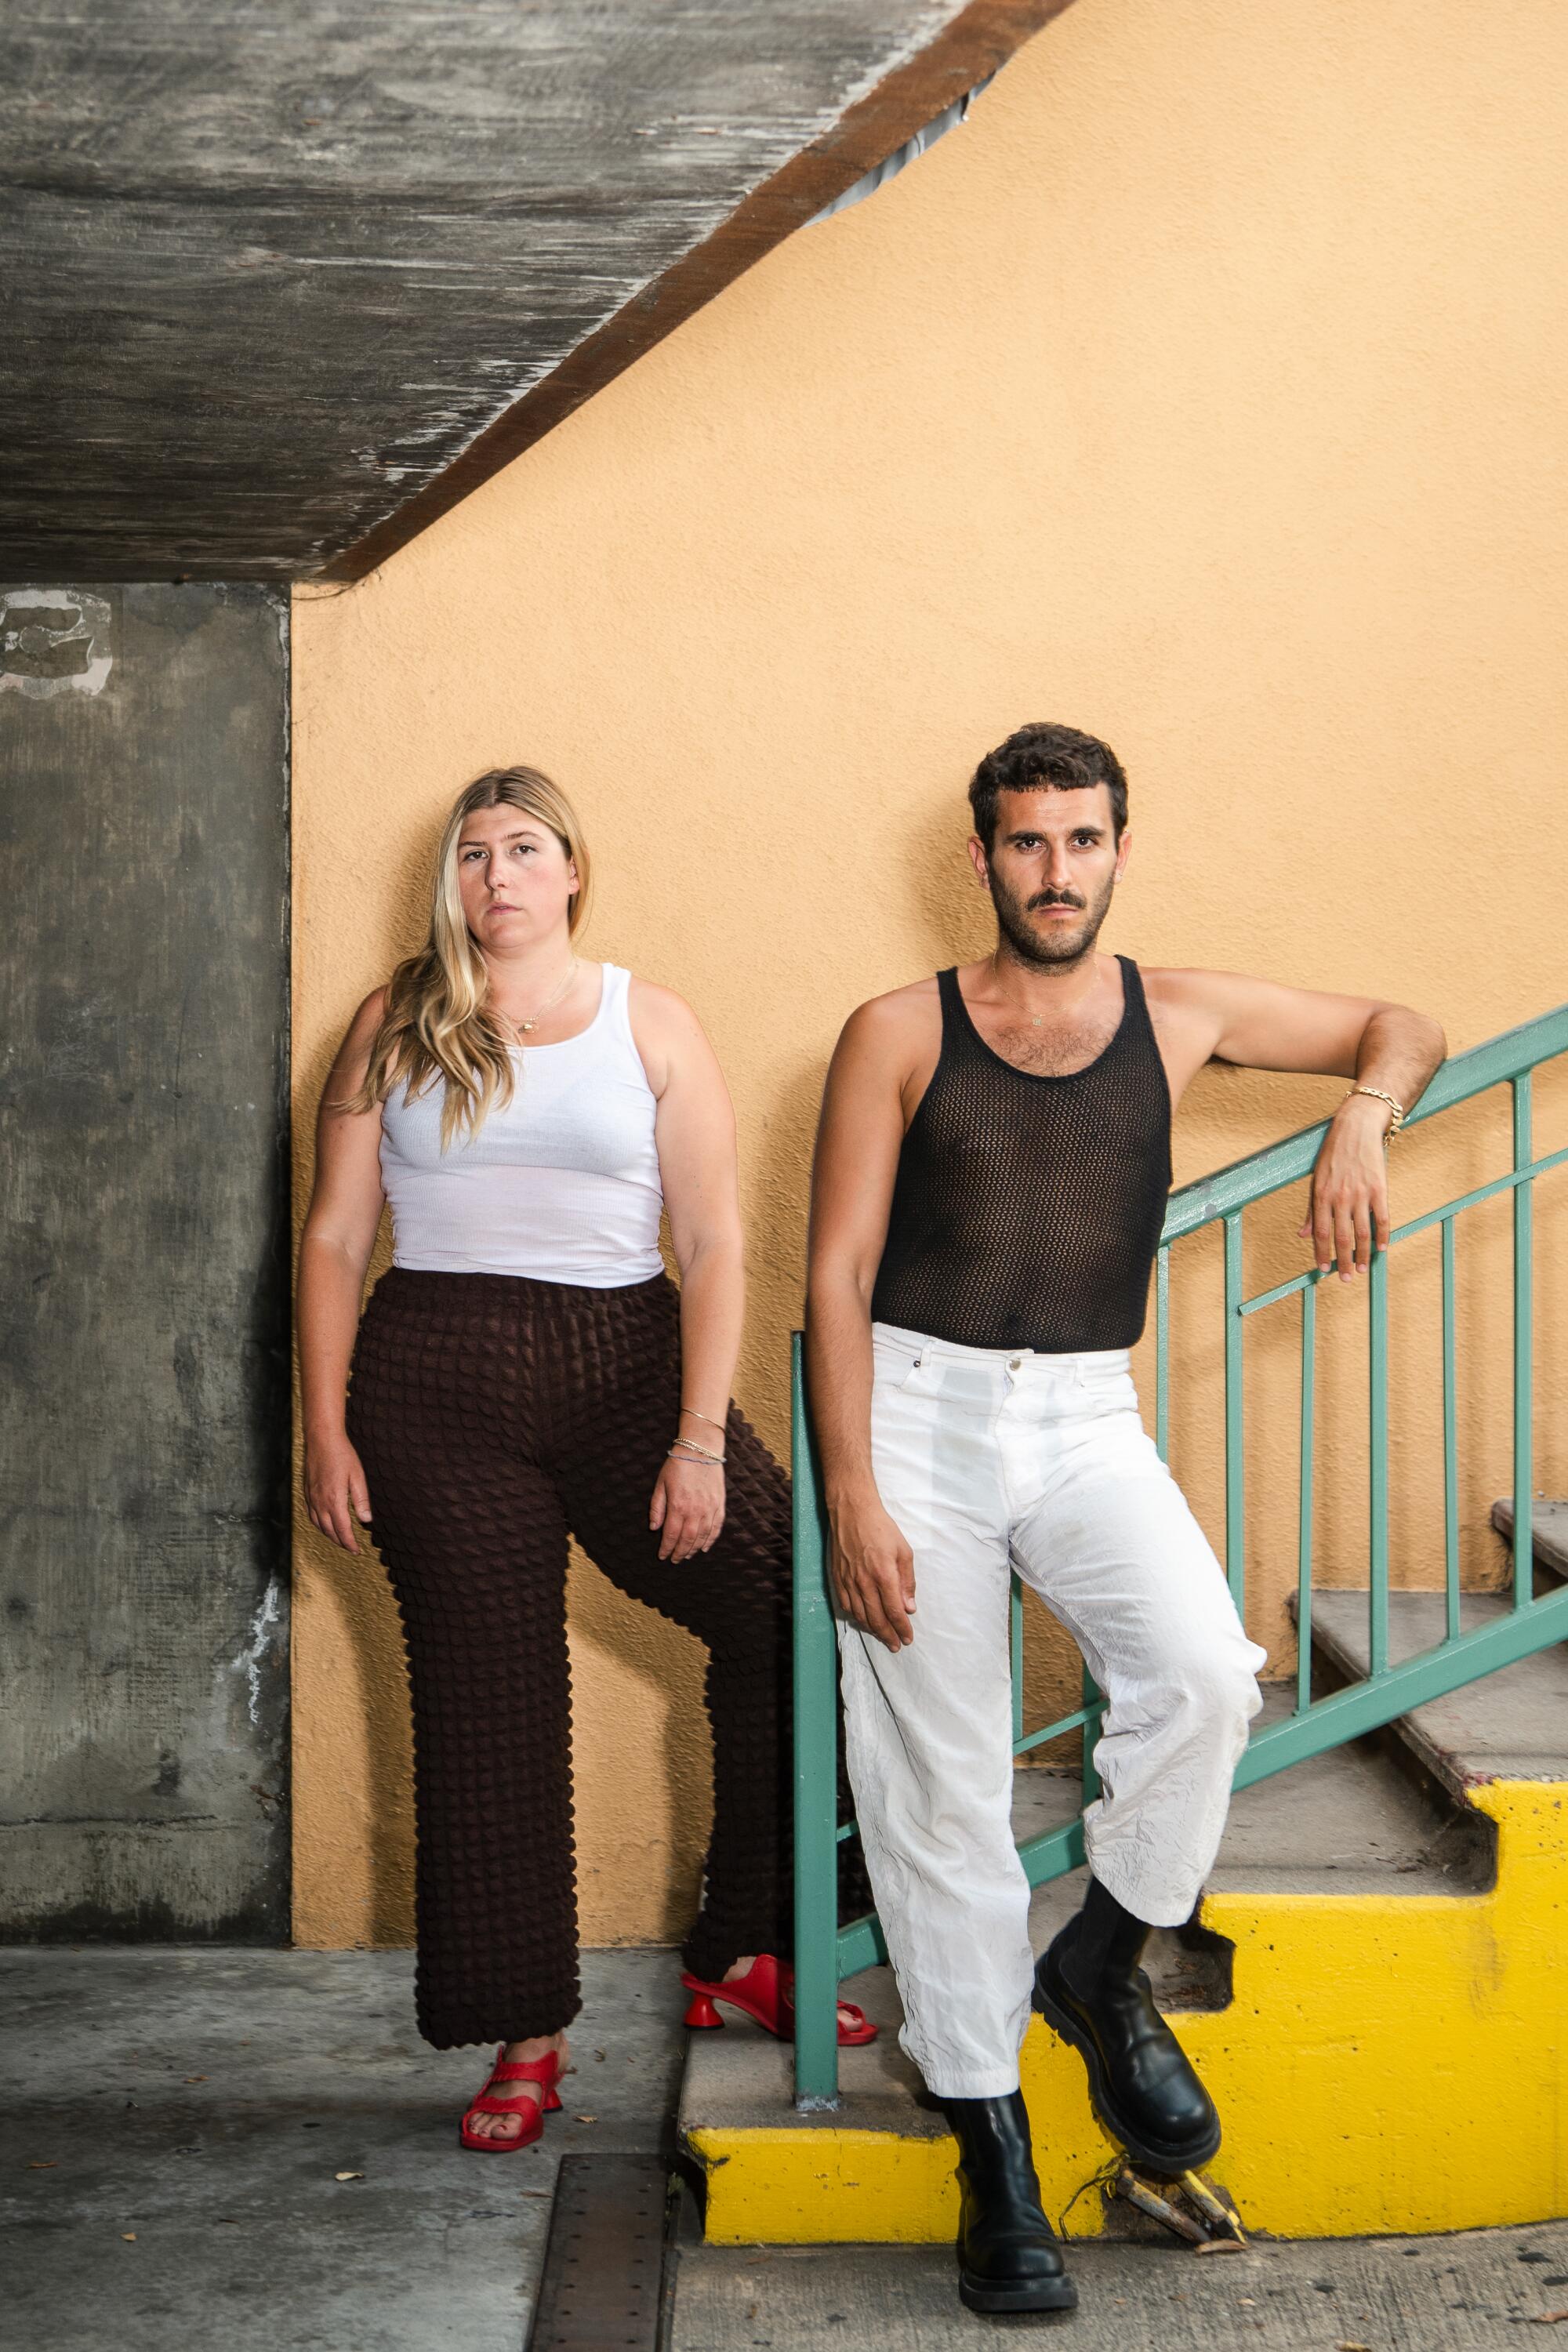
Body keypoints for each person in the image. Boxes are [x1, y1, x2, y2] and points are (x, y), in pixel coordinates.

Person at [805, 721, 1445, 2313]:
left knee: (1207, 1674)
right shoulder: (895, 1029)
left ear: (1118, 849)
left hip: (1085, 1416)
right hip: (915, 1416)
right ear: (983, 859)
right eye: (1025, 844)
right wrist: (852, 1491)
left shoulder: (1180, 1017)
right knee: (938, 1785)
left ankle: (1098, 1960)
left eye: (1081, 841)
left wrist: (1361, 1115)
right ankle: (995, 2150)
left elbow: (1402, 1020)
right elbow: (829, 1275)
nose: (1055, 871)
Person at [297, 764, 872, 2154]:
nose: (498, 875)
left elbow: (716, 1244)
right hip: (433, 1386)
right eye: (474, 853)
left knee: (799, 1609)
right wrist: (324, 1428)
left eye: (526, 848)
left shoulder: (649, 1023)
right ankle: (526, 2037)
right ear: (455, 882)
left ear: (572, 873)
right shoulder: (394, 1026)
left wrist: (697, 1439)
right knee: (491, 1709)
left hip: (626, 1374)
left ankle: (743, 1946)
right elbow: (331, 1240)